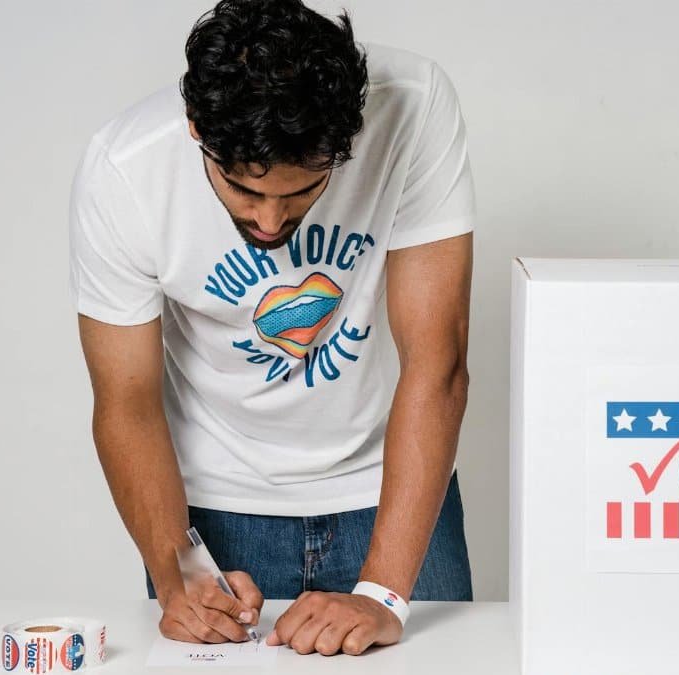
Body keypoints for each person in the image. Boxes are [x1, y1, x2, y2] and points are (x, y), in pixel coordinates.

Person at [68, 0, 476, 657]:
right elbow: (126, 402)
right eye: (244, 190)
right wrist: (181, 572)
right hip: (215, 505)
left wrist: (385, 594)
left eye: (299, 192)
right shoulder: (126, 171)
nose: (267, 220)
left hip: (391, 486)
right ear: (197, 128)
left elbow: (440, 364)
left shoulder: (414, 105)